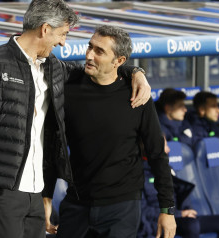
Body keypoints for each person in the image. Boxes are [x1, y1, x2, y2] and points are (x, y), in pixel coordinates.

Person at [0, 0, 151, 237]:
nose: (63, 42)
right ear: (45, 29)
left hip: (35, 194)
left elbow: (96, 69)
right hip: (1, 193)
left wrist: (136, 72)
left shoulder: (52, 67)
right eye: (63, 34)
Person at [44, 25, 176, 238]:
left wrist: (167, 209)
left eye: (99, 51)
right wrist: (46, 197)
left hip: (121, 209)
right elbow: (50, 147)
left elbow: (157, 154)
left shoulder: (138, 96)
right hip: (76, 204)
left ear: (119, 61)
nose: (89, 55)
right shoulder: (69, 89)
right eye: (90, 47)